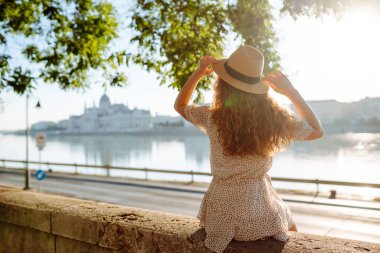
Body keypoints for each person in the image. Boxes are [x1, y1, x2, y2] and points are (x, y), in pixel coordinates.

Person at [174, 45, 323, 253]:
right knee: (287, 218)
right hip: (259, 214)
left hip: (220, 218)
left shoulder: (212, 117)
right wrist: (292, 92)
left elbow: (180, 106)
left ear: (223, 85)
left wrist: (199, 72)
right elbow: (317, 130)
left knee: (282, 209)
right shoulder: (273, 120)